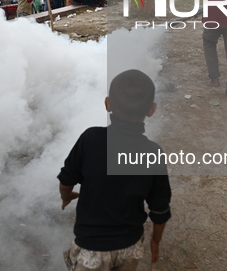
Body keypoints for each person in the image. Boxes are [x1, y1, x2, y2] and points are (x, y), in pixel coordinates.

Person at [58, 69, 171, 271]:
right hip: (129, 247)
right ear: (151, 109)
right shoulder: (153, 153)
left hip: (90, 249)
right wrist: (155, 240)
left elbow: (67, 179)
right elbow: (160, 208)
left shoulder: (90, 139)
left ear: (107, 103)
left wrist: (66, 196)